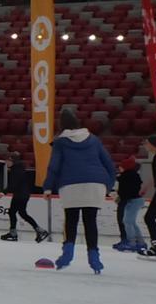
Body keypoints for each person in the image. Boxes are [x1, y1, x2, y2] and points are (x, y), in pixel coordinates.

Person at [41, 107, 114, 273]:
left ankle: (67, 255)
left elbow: (54, 166)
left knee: (71, 220)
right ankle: (95, 259)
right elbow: (108, 162)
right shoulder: (94, 140)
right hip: (95, 185)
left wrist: (47, 187)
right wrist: (110, 185)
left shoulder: (60, 142)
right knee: (91, 221)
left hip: (70, 184)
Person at [0, 155, 46, 242]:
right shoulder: (19, 169)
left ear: (13, 161)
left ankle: (13, 233)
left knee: (12, 212)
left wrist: (3, 192)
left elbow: (13, 184)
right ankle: (40, 230)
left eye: (8, 161)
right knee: (22, 213)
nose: (6, 163)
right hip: (23, 194)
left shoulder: (16, 171)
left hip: (19, 195)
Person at [112, 156, 146, 253]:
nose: (119, 168)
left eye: (121, 166)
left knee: (127, 221)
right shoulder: (133, 175)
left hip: (134, 201)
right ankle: (140, 241)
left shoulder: (125, 177)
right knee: (131, 221)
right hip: (136, 200)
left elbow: (125, 191)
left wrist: (120, 198)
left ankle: (131, 242)